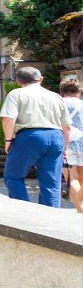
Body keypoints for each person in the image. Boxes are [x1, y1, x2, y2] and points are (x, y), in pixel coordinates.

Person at [0, 66, 71, 207]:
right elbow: (67, 127)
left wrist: (8, 140)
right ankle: (50, 215)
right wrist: (65, 148)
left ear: (18, 81)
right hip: (56, 137)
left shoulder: (16, 94)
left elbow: (8, 118)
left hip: (29, 137)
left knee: (13, 176)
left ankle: (25, 211)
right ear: (41, 79)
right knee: (51, 182)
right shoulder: (55, 96)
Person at [59, 78, 83, 214]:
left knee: (72, 178)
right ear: (79, 92)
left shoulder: (59, 103)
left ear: (62, 91)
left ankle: (80, 210)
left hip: (66, 145)